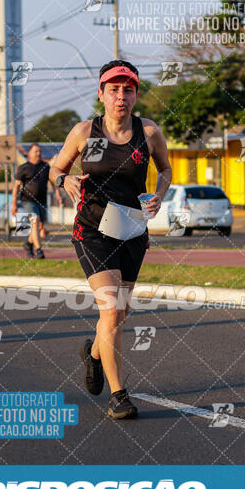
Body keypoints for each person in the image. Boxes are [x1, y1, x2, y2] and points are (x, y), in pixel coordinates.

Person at [50, 60, 172, 420]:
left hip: (132, 229)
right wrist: (64, 180)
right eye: (114, 89)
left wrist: (159, 193)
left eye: (128, 89)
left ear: (136, 94)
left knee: (120, 313)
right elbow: (56, 168)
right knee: (111, 308)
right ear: (100, 94)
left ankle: (93, 355)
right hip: (91, 230)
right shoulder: (84, 132)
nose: (121, 96)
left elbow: (165, 168)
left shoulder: (148, 131)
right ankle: (119, 395)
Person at [11, 143, 61, 259]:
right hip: (27, 200)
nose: (38, 154)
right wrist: (14, 203)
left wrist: (57, 194)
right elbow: (16, 186)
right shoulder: (23, 168)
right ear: (30, 153)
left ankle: (28, 244)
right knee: (35, 220)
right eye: (36, 151)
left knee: (38, 227)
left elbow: (53, 182)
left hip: (42, 201)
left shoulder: (46, 167)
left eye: (40, 152)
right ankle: (39, 251)